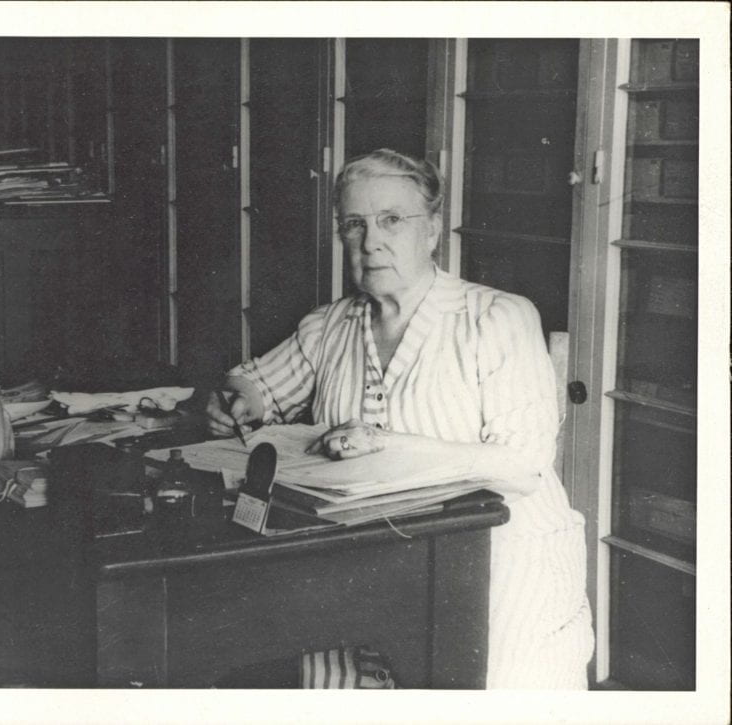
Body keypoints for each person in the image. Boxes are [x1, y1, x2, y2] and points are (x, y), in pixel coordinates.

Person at [206, 149, 594, 689]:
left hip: (497, 571)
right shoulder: (331, 325)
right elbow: (256, 384)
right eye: (355, 225)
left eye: (392, 220)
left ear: (432, 229)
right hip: (364, 564)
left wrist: (385, 445)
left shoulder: (496, 318)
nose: (372, 241)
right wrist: (236, 398)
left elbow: (522, 466)